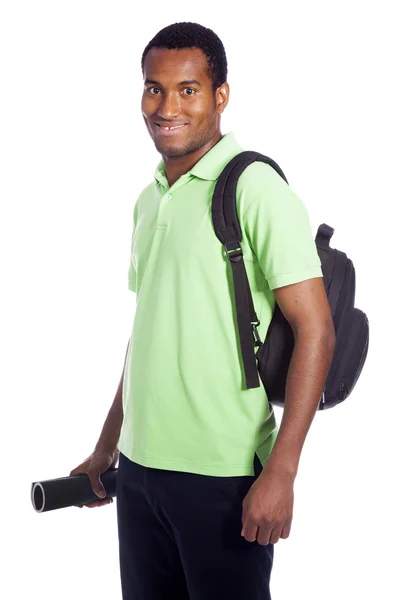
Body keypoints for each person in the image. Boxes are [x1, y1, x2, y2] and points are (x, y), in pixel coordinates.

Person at [70, 21, 336, 600]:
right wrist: (107, 445)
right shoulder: (148, 199)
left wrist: (282, 472)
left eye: (187, 89)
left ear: (220, 96)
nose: (167, 106)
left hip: (225, 477)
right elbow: (148, 333)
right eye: (154, 88)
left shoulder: (254, 187)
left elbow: (317, 328)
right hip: (139, 475)